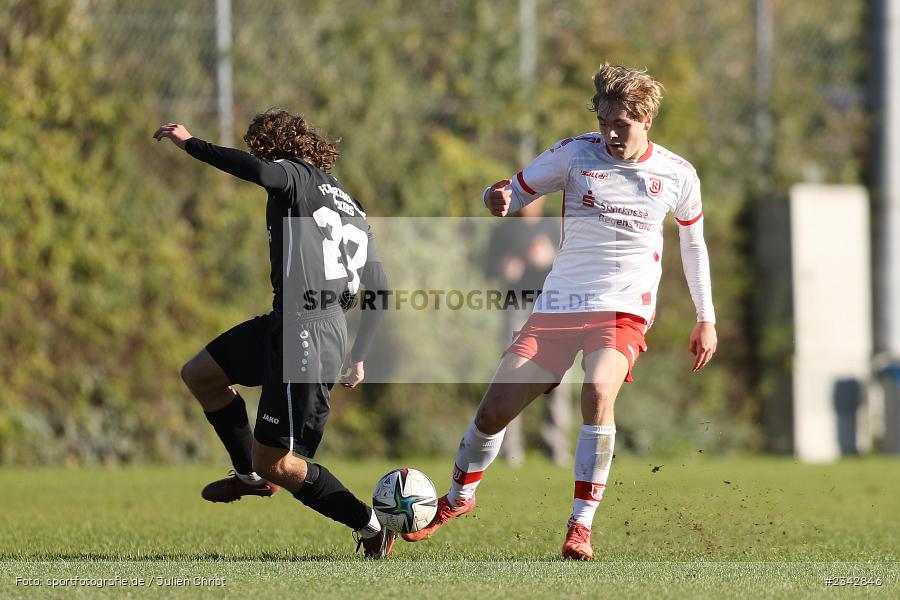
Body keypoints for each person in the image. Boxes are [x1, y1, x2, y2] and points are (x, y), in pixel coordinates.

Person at [402, 64, 718, 560]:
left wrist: (707, 317)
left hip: (623, 311)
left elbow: (694, 245)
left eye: (624, 124)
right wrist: (499, 196)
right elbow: (516, 187)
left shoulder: (677, 175)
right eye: (607, 120)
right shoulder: (576, 154)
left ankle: (580, 528)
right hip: (560, 305)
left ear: (647, 120)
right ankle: (459, 498)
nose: (612, 133)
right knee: (492, 413)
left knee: (597, 390)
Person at [153, 109, 394, 559]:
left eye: (257, 148)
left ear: (272, 147)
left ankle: (369, 524)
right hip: (294, 322)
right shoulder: (352, 206)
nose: (257, 157)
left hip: (307, 332)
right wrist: (359, 353)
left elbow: (263, 173)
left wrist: (191, 143)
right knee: (201, 374)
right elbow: (380, 290)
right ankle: (248, 476)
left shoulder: (295, 175)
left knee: (281, 463)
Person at [484, 197, 572, 466]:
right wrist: (504, 270)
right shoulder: (503, 230)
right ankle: (510, 449)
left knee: (558, 376)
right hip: (516, 308)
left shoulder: (554, 227)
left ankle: (556, 447)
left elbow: (572, 266)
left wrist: (549, 259)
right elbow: (488, 269)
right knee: (511, 375)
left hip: (552, 308)